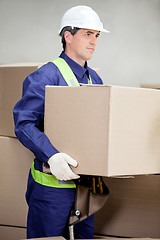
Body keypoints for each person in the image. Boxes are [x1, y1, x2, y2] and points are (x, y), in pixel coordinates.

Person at [13, 5, 109, 239]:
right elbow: (24, 123)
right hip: (52, 188)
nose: (94, 41)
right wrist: (52, 155)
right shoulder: (46, 75)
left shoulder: (94, 78)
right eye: (88, 34)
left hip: (86, 187)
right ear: (68, 36)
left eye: (96, 36)